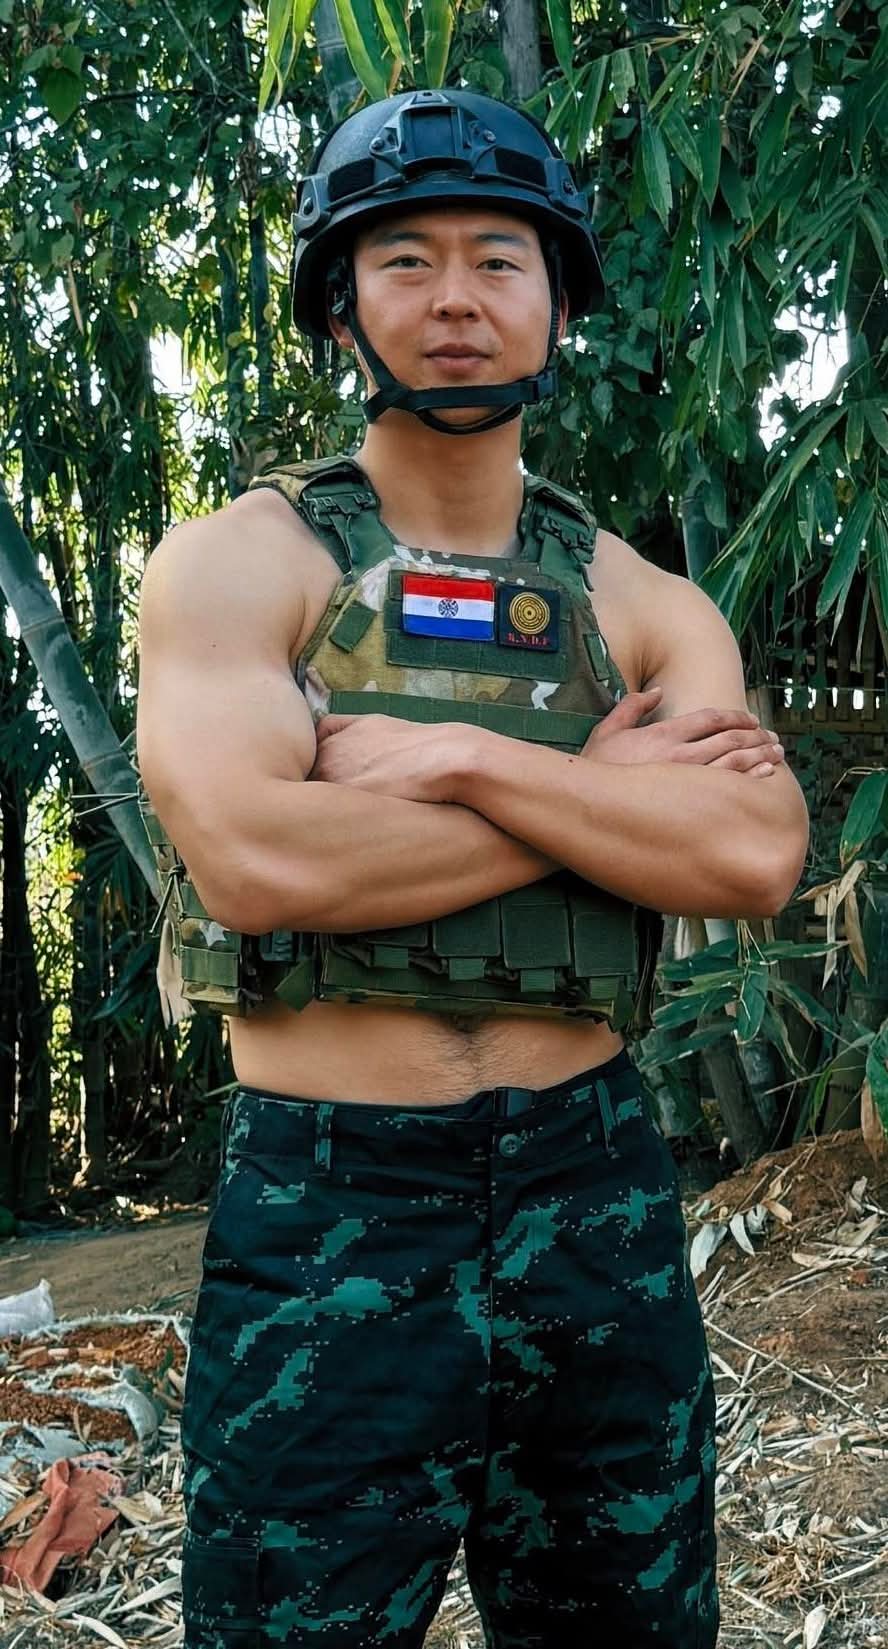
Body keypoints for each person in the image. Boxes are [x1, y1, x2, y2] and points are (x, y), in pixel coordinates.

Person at [137, 88, 808, 1649]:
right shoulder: (245, 566)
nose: (455, 299)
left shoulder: (639, 601)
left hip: (596, 1190)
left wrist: (460, 756)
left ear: (559, 302)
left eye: (499, 260)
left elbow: (750, 847)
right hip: (332, 1204)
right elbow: (255, 856)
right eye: (405, 260)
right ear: (340, 304)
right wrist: (601, 794)